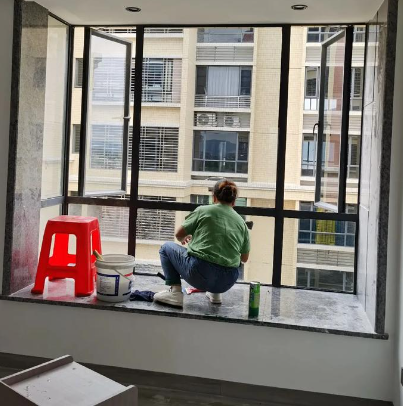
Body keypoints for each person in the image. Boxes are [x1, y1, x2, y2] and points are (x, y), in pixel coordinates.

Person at [153, 179, 250, 308]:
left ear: (214, 197)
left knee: (165, 248)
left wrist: (184, 238)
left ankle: (175, 293)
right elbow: (244, 258)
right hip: (227, 281)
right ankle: (215, 294)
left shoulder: (203, 210)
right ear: (234, 201)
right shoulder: (241, 223)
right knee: (221, 259)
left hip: (199, 273)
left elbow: (178, 234)